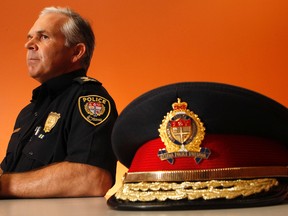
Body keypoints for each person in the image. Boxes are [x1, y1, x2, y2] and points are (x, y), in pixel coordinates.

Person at [0, 6, 118, 198]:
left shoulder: (89, 99)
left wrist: (7, 184)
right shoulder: (28, 113)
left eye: (43, 37)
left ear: (77, 52)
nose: (29, 44)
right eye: (29, 37)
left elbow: (92, 178)